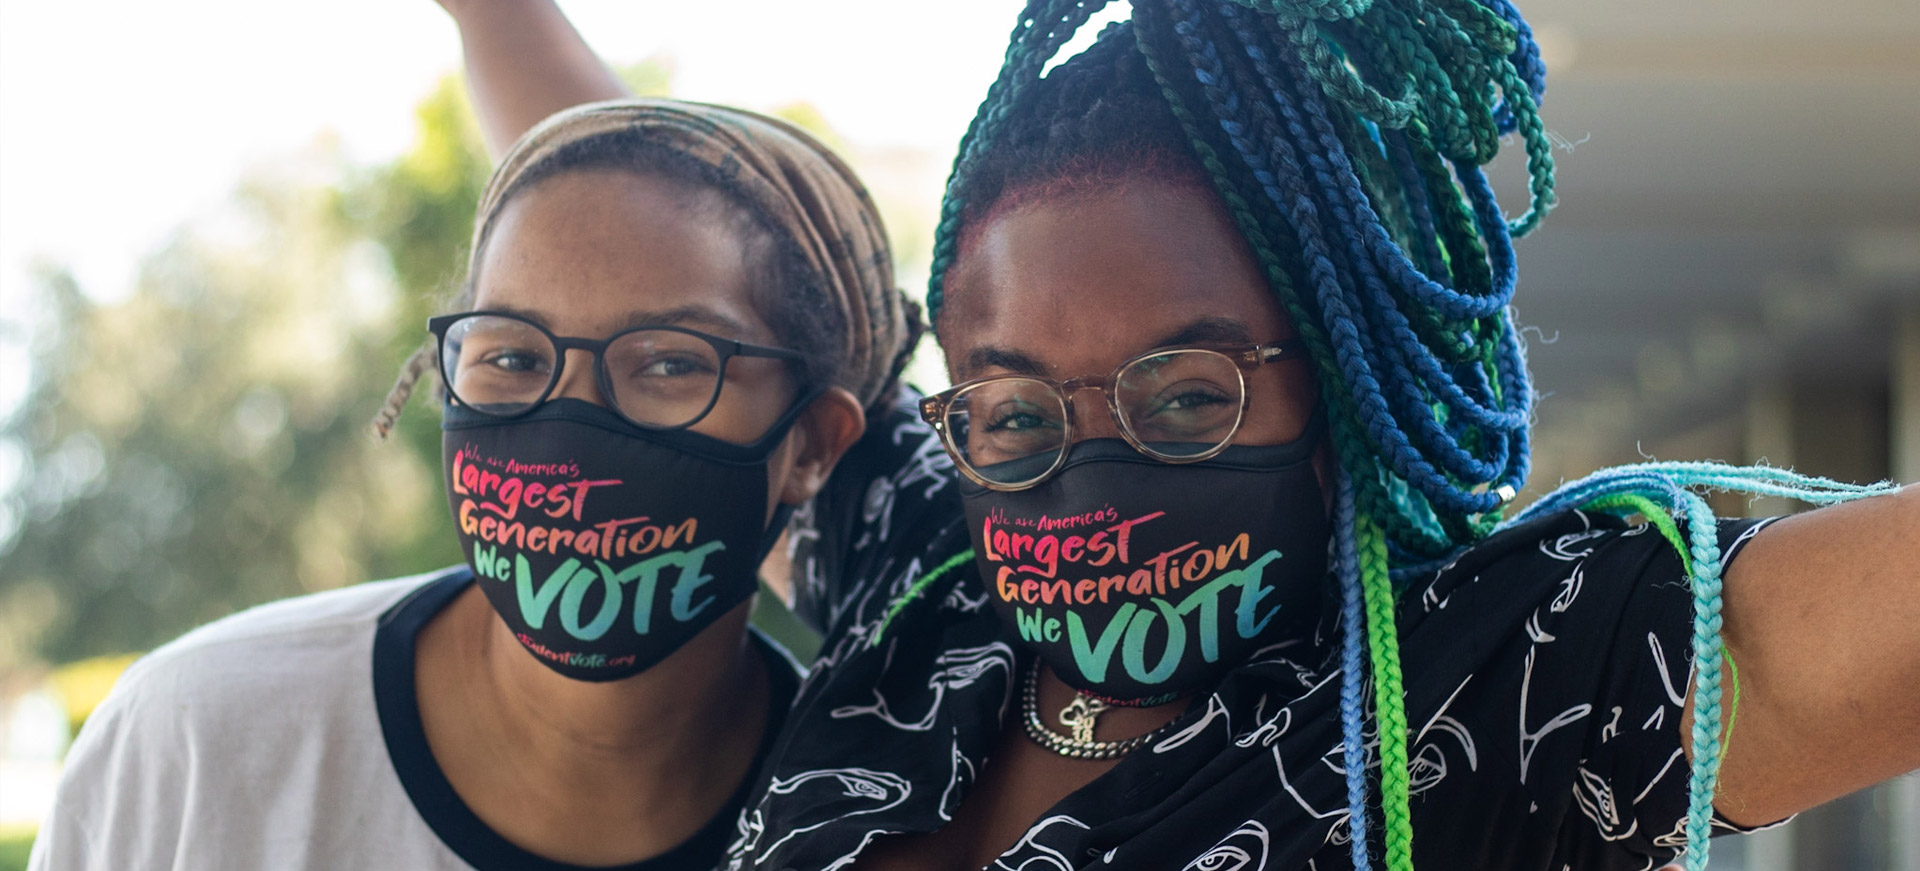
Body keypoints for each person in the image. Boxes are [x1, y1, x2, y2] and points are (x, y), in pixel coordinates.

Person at [302, 1, 1920, 869]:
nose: (1081, 459)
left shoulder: (1512, 675)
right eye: (1013, 399)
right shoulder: (926, 576)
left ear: (1335, 388)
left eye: (1186, 394)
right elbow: (669, 273)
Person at [25, 7, 920, 867]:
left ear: (811, 445)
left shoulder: (879, 823)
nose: (568, 425)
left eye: (667, 365)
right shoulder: (198, 741)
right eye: (512, 357)